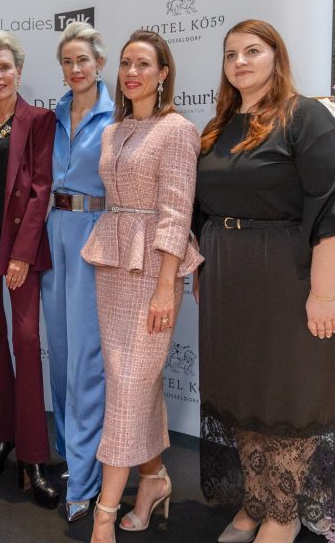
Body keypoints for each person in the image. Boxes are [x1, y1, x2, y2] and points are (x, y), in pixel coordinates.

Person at [195, 19, 335, 543]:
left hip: (289, 277)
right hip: (228, 276)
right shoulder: (219, 126)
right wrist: (203, 271)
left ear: (276, 57)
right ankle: (256, 497)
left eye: (252, 51)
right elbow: (204, 211)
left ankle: (283, 512)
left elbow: (333, 212)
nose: (239, 62)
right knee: (243, 391)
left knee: (287, 394)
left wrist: (322, 293)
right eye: (231, 54)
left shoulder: (305, 117)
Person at [81, 30, 202, 542]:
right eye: (126, 63)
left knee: (129, 384)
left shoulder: (178, 130)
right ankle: (152, 479)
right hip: (112, 265)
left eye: (144, 64)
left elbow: (177, 212)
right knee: (132, 383)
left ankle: (104, 514)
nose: (132, 72)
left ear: (163, 73)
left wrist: (165, 287)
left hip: (154, 268)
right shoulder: (114, 130)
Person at [0, 30, 60, 509]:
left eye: (4, 67)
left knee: (26, 341)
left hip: (18, 248)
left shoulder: (39, 120)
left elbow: (41, 189)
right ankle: (5, 438)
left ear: (19, 72)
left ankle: (35, 457)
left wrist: (21, 254)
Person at [40, 21, 113, 523]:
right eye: (67, 61)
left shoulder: (119, 115)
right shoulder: (53, 116)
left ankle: (86, 480)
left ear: (99, 63)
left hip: (96, 231)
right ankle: (71, 455)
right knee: (62, 353)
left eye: (83, 59)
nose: (75, 68)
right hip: (54, 232)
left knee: (87, 358)